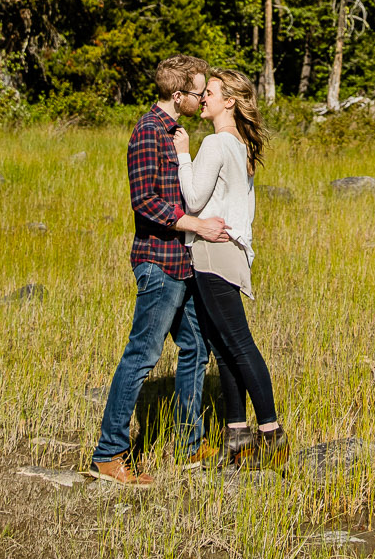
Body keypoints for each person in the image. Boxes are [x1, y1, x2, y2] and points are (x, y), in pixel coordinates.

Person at [90, 55, 231, 486]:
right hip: (158, 263)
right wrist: (198, 226)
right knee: (142, 356)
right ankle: (109, 454)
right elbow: (145, 202)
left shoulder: (177, 134)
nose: (202, 97)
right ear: (177, 95)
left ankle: (190, 444)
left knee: (195, 348)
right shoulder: (148, 134)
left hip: (183, 263)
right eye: (197, 92)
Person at [172, 68, 288, 466]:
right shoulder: (241, 146)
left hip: (212, 252)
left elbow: (192, 200)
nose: (202, 98)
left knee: (237, 344)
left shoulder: (217, 144)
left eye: (211, 93)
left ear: (229, 102)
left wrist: (183, 154)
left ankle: (271, 433)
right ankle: (237, 434)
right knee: (223, 347)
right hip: (234, 252)